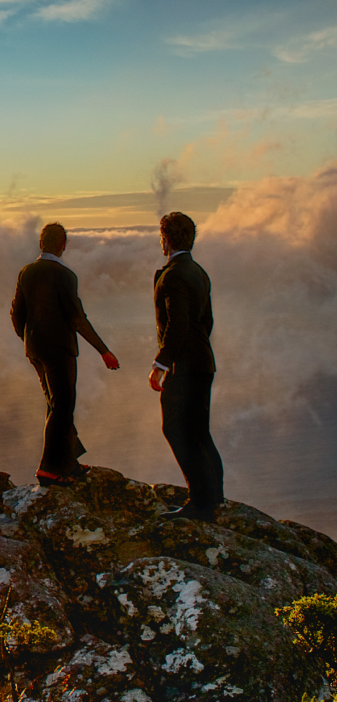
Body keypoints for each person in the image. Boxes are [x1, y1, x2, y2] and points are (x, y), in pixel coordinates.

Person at [11, 222, 119, 487]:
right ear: (63, 245)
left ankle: (69, 460)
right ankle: (49, 468)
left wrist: (29, 340)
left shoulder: (26, 272)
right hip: (59, 349)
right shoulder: (65, 276)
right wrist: (104, 351)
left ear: (41, 244)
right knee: (63, 405)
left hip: (34, 350)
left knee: (54, 404)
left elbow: (16, 314)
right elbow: (77, 319)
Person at [149, 212, 224, 521]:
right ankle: (213, 496)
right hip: (203, 360)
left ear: (165, 239)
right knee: (199, 431)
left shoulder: (174, 275)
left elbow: (177, 324)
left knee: (175, 427)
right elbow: (206, 321)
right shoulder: (198, 271)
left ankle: (200, 501)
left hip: (185, 365)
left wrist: (161, 364)